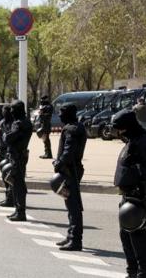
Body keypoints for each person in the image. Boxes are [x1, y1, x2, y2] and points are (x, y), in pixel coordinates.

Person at [112, 109, 146, 278]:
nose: (119, 133)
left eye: (120, 129)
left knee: (141, 240)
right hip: (128, 197)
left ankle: (144, 273)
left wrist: (136, 171)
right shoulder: (132, 141)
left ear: (129, 126)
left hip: (140, 197)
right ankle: (132, 272)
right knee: (126, 238)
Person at [52, 103, 87, 251]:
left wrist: (59, 163)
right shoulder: (76, 127)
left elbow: (69, 151)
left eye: (62, 112)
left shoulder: (72, 129)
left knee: (73, 206)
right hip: (71, 169)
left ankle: (75, 240)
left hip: (70, 170)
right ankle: (71, 235)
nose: (60, 115)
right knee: (70, 204)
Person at [3, 100, 33, 221]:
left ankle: (20, 212)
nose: (11, 112)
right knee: (16, 183)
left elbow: (9, 138)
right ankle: (18, 210)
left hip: (17, 156)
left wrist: (5, 135)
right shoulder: (26, 122)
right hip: (20, 155)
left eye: (13, 110)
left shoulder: (19, 124)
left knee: (18, 185)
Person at [0, 104, 14, 207]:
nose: (4, 113)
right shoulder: (2, 122)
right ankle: (8, 197)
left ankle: (11, 198)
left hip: (9, 152)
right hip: (2, 150)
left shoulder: (13, 123)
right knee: (4, 176)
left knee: (9, 176)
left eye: (5, 111)